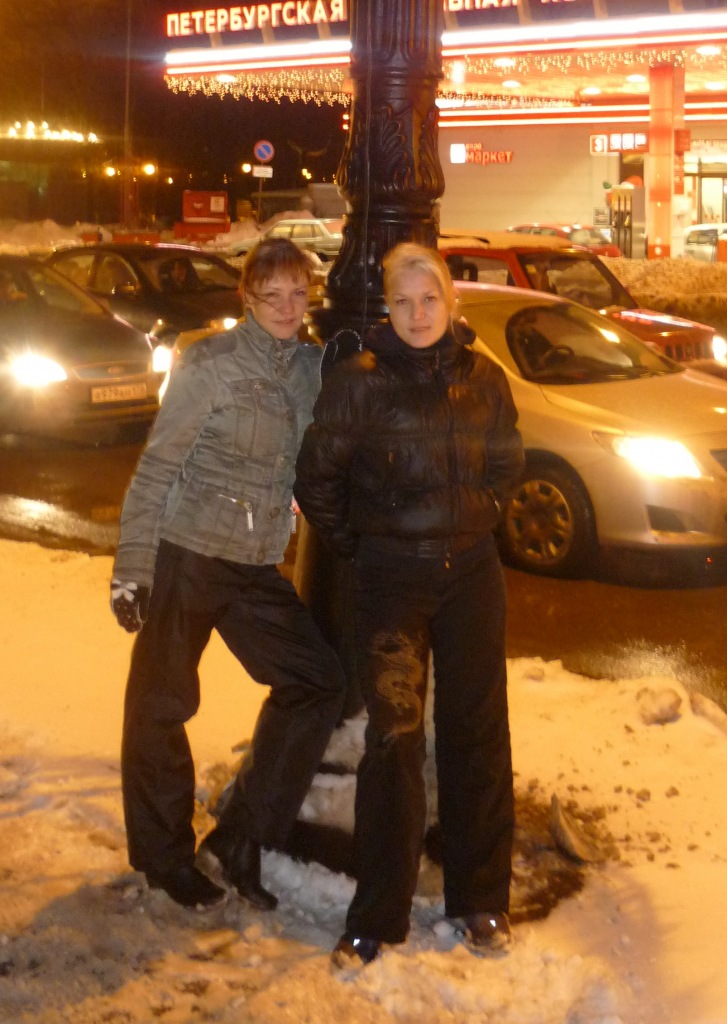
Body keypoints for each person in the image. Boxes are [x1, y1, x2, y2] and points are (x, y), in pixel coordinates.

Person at [294, 242, 525, 965]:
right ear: (387, 308)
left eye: (429, 300)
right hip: (392, 581)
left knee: (476, 732)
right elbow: (317, 478)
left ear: (450, 303)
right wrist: (363, 546)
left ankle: (480, 899)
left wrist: (483, 511)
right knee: (392, 741)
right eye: (403, 301)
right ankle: (376, 914)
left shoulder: (483, 378)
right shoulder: (358, 383)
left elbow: (506, 459)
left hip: (472, 577)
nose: (418, 314)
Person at [110, 237, 346, 910]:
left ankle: (240, 837)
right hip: (188, 553)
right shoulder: (210, 364)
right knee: (160, 707)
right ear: (247, 298)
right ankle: (165, 859)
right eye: (271, 296)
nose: (287, 308)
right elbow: (157, 467)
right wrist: (133, 566)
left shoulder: (311, 369)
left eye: (297, 294)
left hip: (252, 563)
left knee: (317, 682)